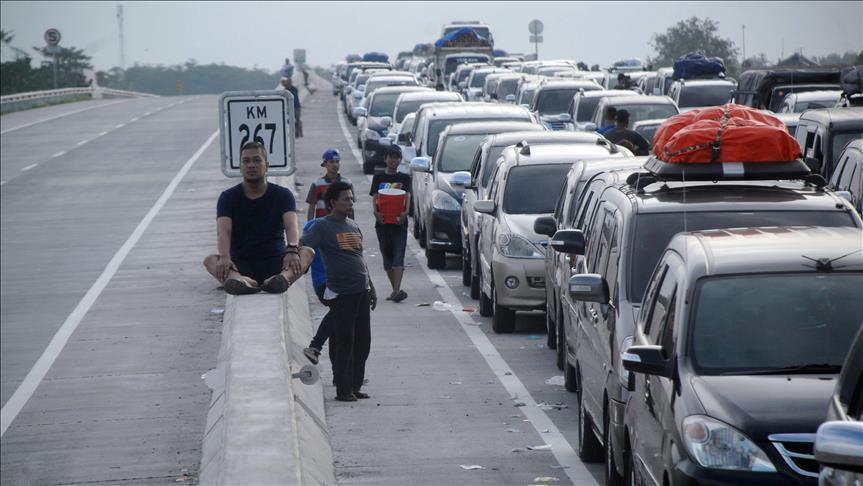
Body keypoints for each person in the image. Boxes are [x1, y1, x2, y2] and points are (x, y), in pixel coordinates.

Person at [203, 141, 314, 295]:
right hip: (240, 264)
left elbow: (291, 226)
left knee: (307, 252)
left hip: (276, 262)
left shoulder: (283, 195)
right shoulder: (228, 197)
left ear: (266, 165)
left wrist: (292, 249)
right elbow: (223, 232)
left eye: (256, 160)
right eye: (246, 161)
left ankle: (281, 279)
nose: (251, 165)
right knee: (210, 261)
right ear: (240, 166)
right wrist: (224, 257)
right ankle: (242, 281)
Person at [300, 181, 377, 402]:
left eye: (352, 198)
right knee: (345, 342)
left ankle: (355, 385)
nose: (350, 202)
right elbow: (304, 245)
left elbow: (360, 259)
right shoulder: (322, 226)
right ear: (333, 202)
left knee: (363, 343)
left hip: (361, 291)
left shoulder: (353, 226)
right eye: (346, 199)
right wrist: (298, 265)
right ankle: (343, 390)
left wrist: (371, 286)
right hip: (342, 293)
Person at [369, 145, 411, 302]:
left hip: (400, 223)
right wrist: (376, 213)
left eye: (397, 157)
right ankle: (395, 290)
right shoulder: (378, 178)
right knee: (387, 256)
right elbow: (375, 198)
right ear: (385, 158)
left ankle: (396, 290)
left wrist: (405, 213)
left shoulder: (404, 178)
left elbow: (407, 197)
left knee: (398, 254)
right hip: (382, 224)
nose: (394, 160)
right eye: (391, 157)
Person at [302, 217, 335, 367]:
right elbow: (302, 249)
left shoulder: (345, 225)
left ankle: (341, 374)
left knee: (339, 325)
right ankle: (315, 346)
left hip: (341, 283)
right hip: (326, 283)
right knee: (341, 311)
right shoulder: (316, 227)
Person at [306, 149, 354, 221]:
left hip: (341, 224)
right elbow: (312, 206)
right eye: (331, 162)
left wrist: (352, 224)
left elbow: (350, 206)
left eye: (337, 161)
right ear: (325, 164)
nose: (335, 165)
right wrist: (309, 226)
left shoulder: (347, 183)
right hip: (321, 224)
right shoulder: (317, 184)